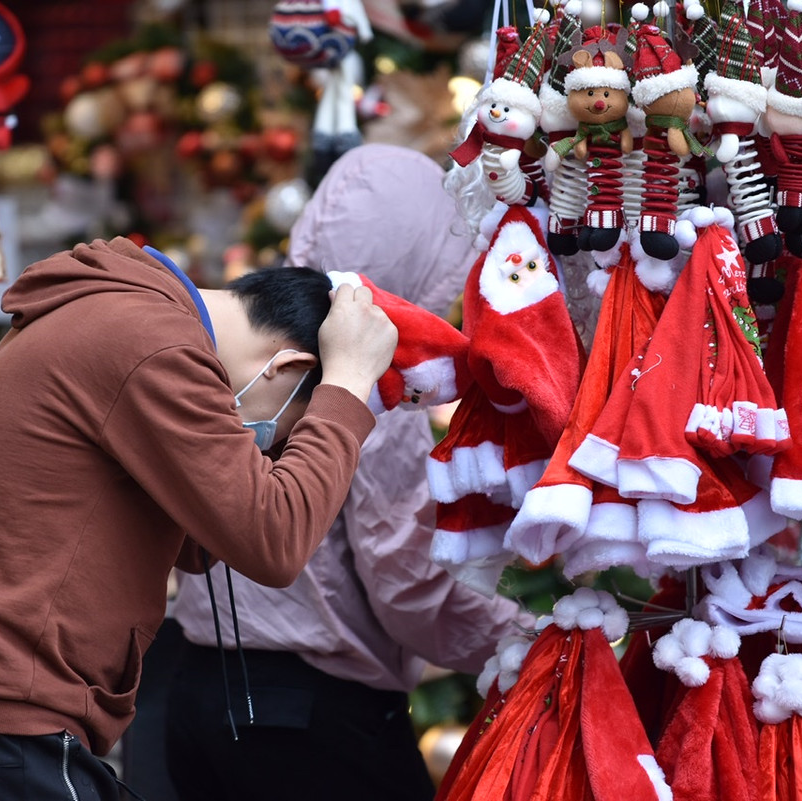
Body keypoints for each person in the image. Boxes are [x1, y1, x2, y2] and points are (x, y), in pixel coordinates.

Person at [0, 234, 398, 800]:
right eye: (283, 435)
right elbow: (275, 539)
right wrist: (346, 386)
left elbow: (201, 545)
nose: (267, 450)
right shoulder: (152, 340)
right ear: (287, 367)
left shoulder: (119, 318)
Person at [163, 144, 537, 801]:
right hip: (309, 716)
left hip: (196, 686)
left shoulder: (239, 346)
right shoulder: (366, 379)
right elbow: (408, 583)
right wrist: (530, 640)